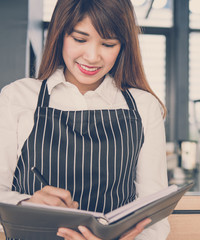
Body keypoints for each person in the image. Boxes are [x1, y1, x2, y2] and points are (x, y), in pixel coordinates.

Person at [0, 0, 169, 239]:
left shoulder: (144, 107)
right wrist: (25, 204)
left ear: (123, 46)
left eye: (108, 44)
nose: (92, 57)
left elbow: (155, 216)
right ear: (60, 35)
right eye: (80, 39)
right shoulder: (17, 97)